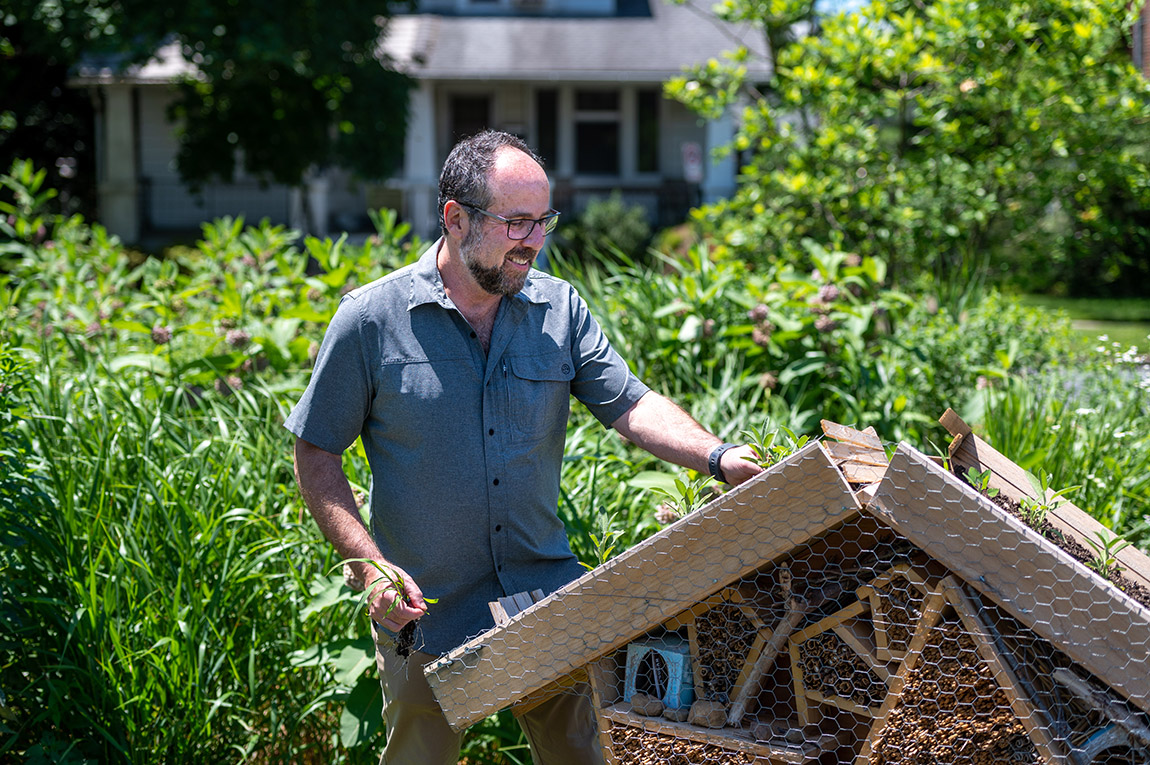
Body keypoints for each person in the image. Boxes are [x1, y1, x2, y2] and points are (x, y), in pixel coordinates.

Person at [286, 129, 762, 765]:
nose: (534, 240)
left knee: (587, 756)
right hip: (425, 614)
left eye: (543, 221)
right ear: (455, 219)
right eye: (516, 222)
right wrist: (368, 564)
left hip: (544, 600)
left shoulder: (558, 308)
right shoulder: (371, 321)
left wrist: (717, 455)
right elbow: (316, 452)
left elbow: (630, 403)